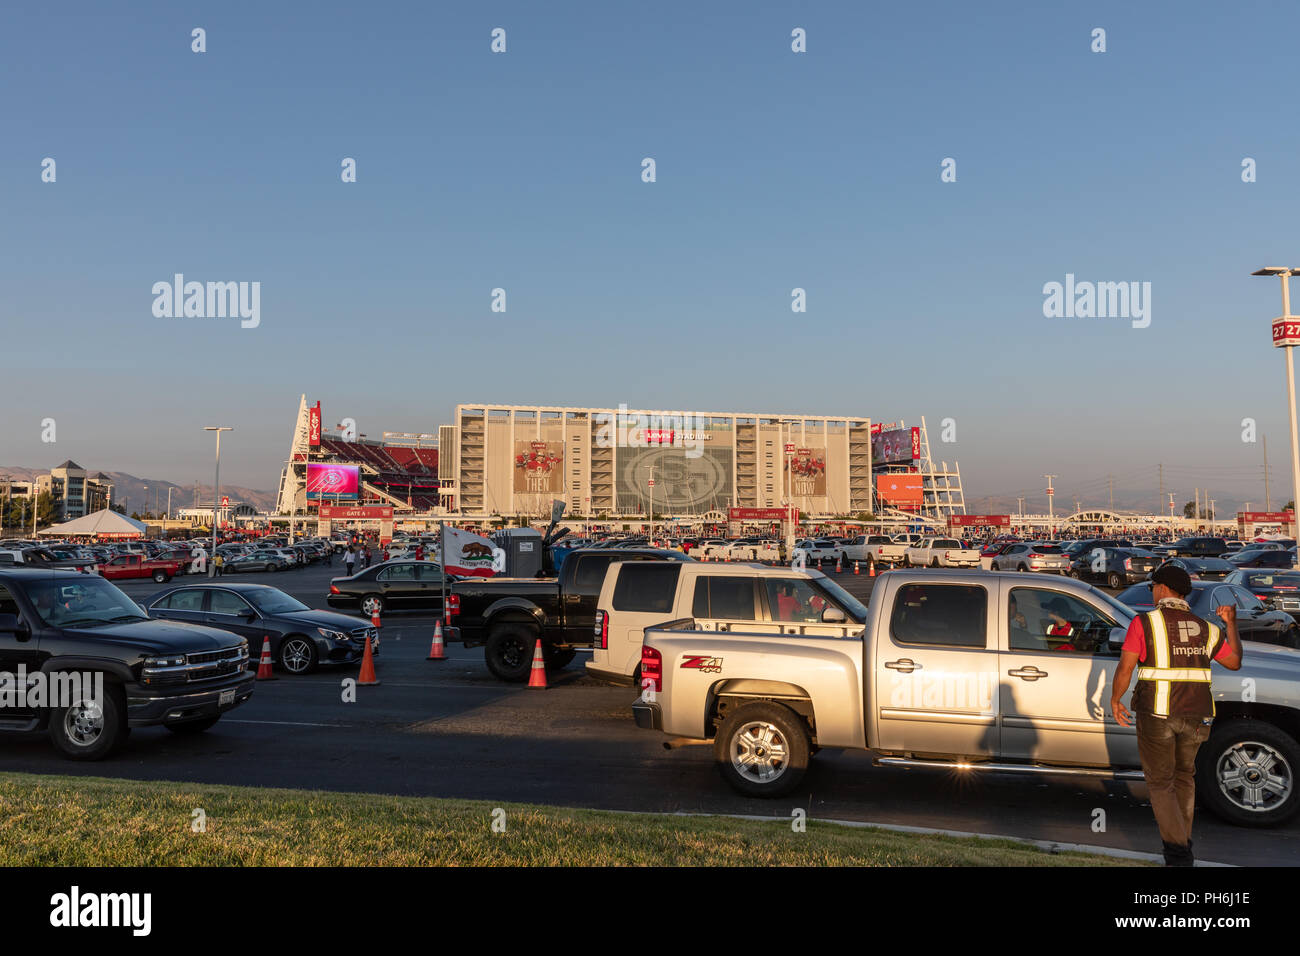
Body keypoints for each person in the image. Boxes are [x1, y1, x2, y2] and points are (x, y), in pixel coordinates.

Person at [1110, 564, 1242, 867]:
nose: (1153, 592)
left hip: (1157, 714)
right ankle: (1183, 844)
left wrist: (1116, 699)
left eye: (1152, 587)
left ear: (1162, 588)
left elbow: (1126, 668)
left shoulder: (1144, 623)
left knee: (1160, 783)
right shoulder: (1207, 628)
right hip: (1197, 716)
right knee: (1184, 779)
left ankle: (1178, 855)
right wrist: (1230, 624)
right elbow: (1234, 662)